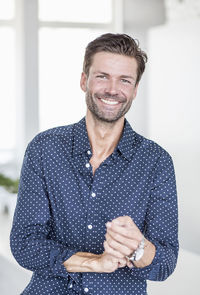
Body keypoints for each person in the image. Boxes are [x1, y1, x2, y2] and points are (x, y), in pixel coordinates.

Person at [10, 33, 179, 295]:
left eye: (124, 80)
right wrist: (95, 263)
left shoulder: (156, 162)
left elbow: (166, 263)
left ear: (134, 89)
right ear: (83, 81)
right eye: (102, 76)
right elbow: (24, 244)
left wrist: (138, 247)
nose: (112, 89)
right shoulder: (45, 149)